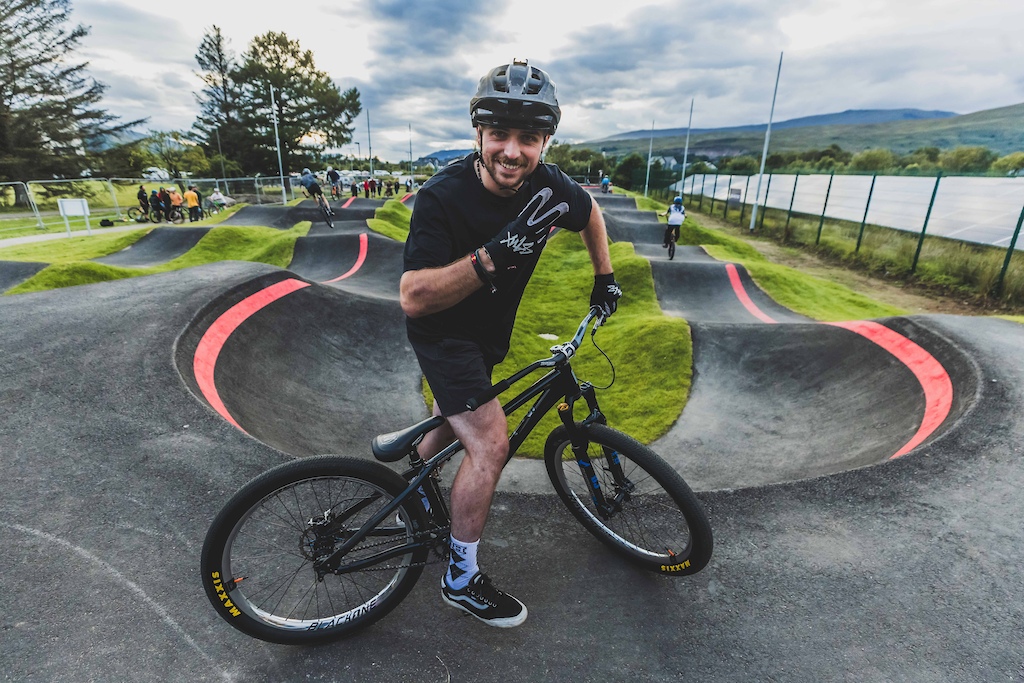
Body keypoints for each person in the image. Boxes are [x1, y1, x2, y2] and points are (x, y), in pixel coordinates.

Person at [401, 58, 621, 629]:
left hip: (487, 334)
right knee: (491, 444)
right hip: (444, 332)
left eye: (529, 138)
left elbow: (591, 212)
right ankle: (460, 579)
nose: (512, 151)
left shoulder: (549, 187)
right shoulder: (441, 197)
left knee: (451, 418)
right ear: (479, 133)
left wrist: (604, 275)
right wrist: (493, 255)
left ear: (545, 141)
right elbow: (413, 298)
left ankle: (416, 490)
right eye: (499, 133)